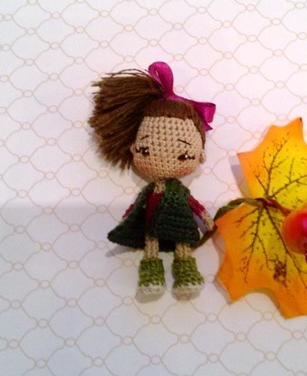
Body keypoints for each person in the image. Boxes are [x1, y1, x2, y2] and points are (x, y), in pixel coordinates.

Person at [89, 62, 215, 297]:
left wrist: (207, 220)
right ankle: (151, 277)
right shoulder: (154, 191)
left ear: (200, 156)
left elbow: (195, 206)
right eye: (145, 151)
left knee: (182, 248)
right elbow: (137, 207)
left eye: (183, 155)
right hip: (153, 224)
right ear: (134, 148)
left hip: (180, 224)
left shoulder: (179, 191)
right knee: (151, 247)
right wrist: (127, 218)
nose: (165, 160)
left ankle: (187, 274)